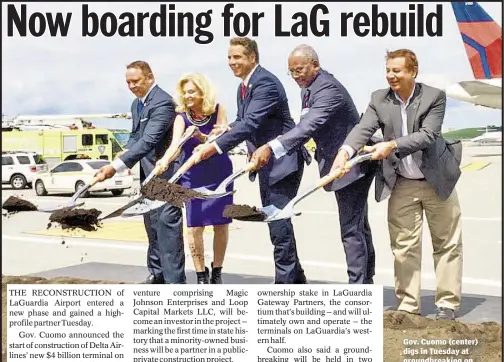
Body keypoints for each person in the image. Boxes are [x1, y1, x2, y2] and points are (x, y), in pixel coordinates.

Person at [332, 49, 463, 320]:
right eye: (388, 70)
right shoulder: (378, 99)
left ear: (412, 71)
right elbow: (362, 129)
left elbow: (427, 136)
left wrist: (391, 144)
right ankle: (408, 305)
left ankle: (448, 304)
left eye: (397, 70)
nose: (391, 75)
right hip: (402, 182)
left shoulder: (434, 97)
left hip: (437, 180)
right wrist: (345, 152)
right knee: (403, 246)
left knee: (446, 243)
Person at [251, 44, 377, 284]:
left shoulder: (328, 89)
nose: (296, 76)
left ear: (315, 66)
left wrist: (271, 147)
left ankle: (359, 286)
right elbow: (304, 128)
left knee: (351, 229)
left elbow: (309, 126)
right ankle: (365, 280)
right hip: (335, 163)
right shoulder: (308, 89)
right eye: (292, 72)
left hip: (350, 165)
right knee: (358, 225)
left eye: (299, 70)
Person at [193, 37, 311, 284]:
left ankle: (285, 285)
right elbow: (242, 121)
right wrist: (222, 132)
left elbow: (250, 124)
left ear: (252, 58)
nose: (231, 62)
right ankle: (296, 280)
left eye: (237, 57)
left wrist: (213, 148)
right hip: (266, 162)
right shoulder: (244, 87)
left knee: (278, 223)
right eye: (229, 57)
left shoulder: (265, 83)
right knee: (277, 222)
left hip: (284, 161)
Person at [95, 60, 186, 284]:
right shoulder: (137, 104)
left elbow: (149, 141)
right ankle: (157, 275)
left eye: (136, 81)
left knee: (167, 230)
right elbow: (136, 137)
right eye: (128, 82)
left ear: (150, 77)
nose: (132, 86)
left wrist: (115, 168)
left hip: (167, 178)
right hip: (148, 178)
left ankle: (175, 284)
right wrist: (122, 153)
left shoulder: (163, 103)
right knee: (152, 226)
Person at [156, 73, 233, 284]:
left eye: (192, 91)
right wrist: (164, 161)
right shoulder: (181, 117)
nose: (187, 96)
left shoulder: (219, 110)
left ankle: (217, 272)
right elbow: (175, 145)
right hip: (193, 175)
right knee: (194, 227)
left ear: (202, 92)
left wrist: (202, 137)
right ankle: (201, 274)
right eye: (185, 92)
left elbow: (222, 138)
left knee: (221, 224)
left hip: (219, 172)